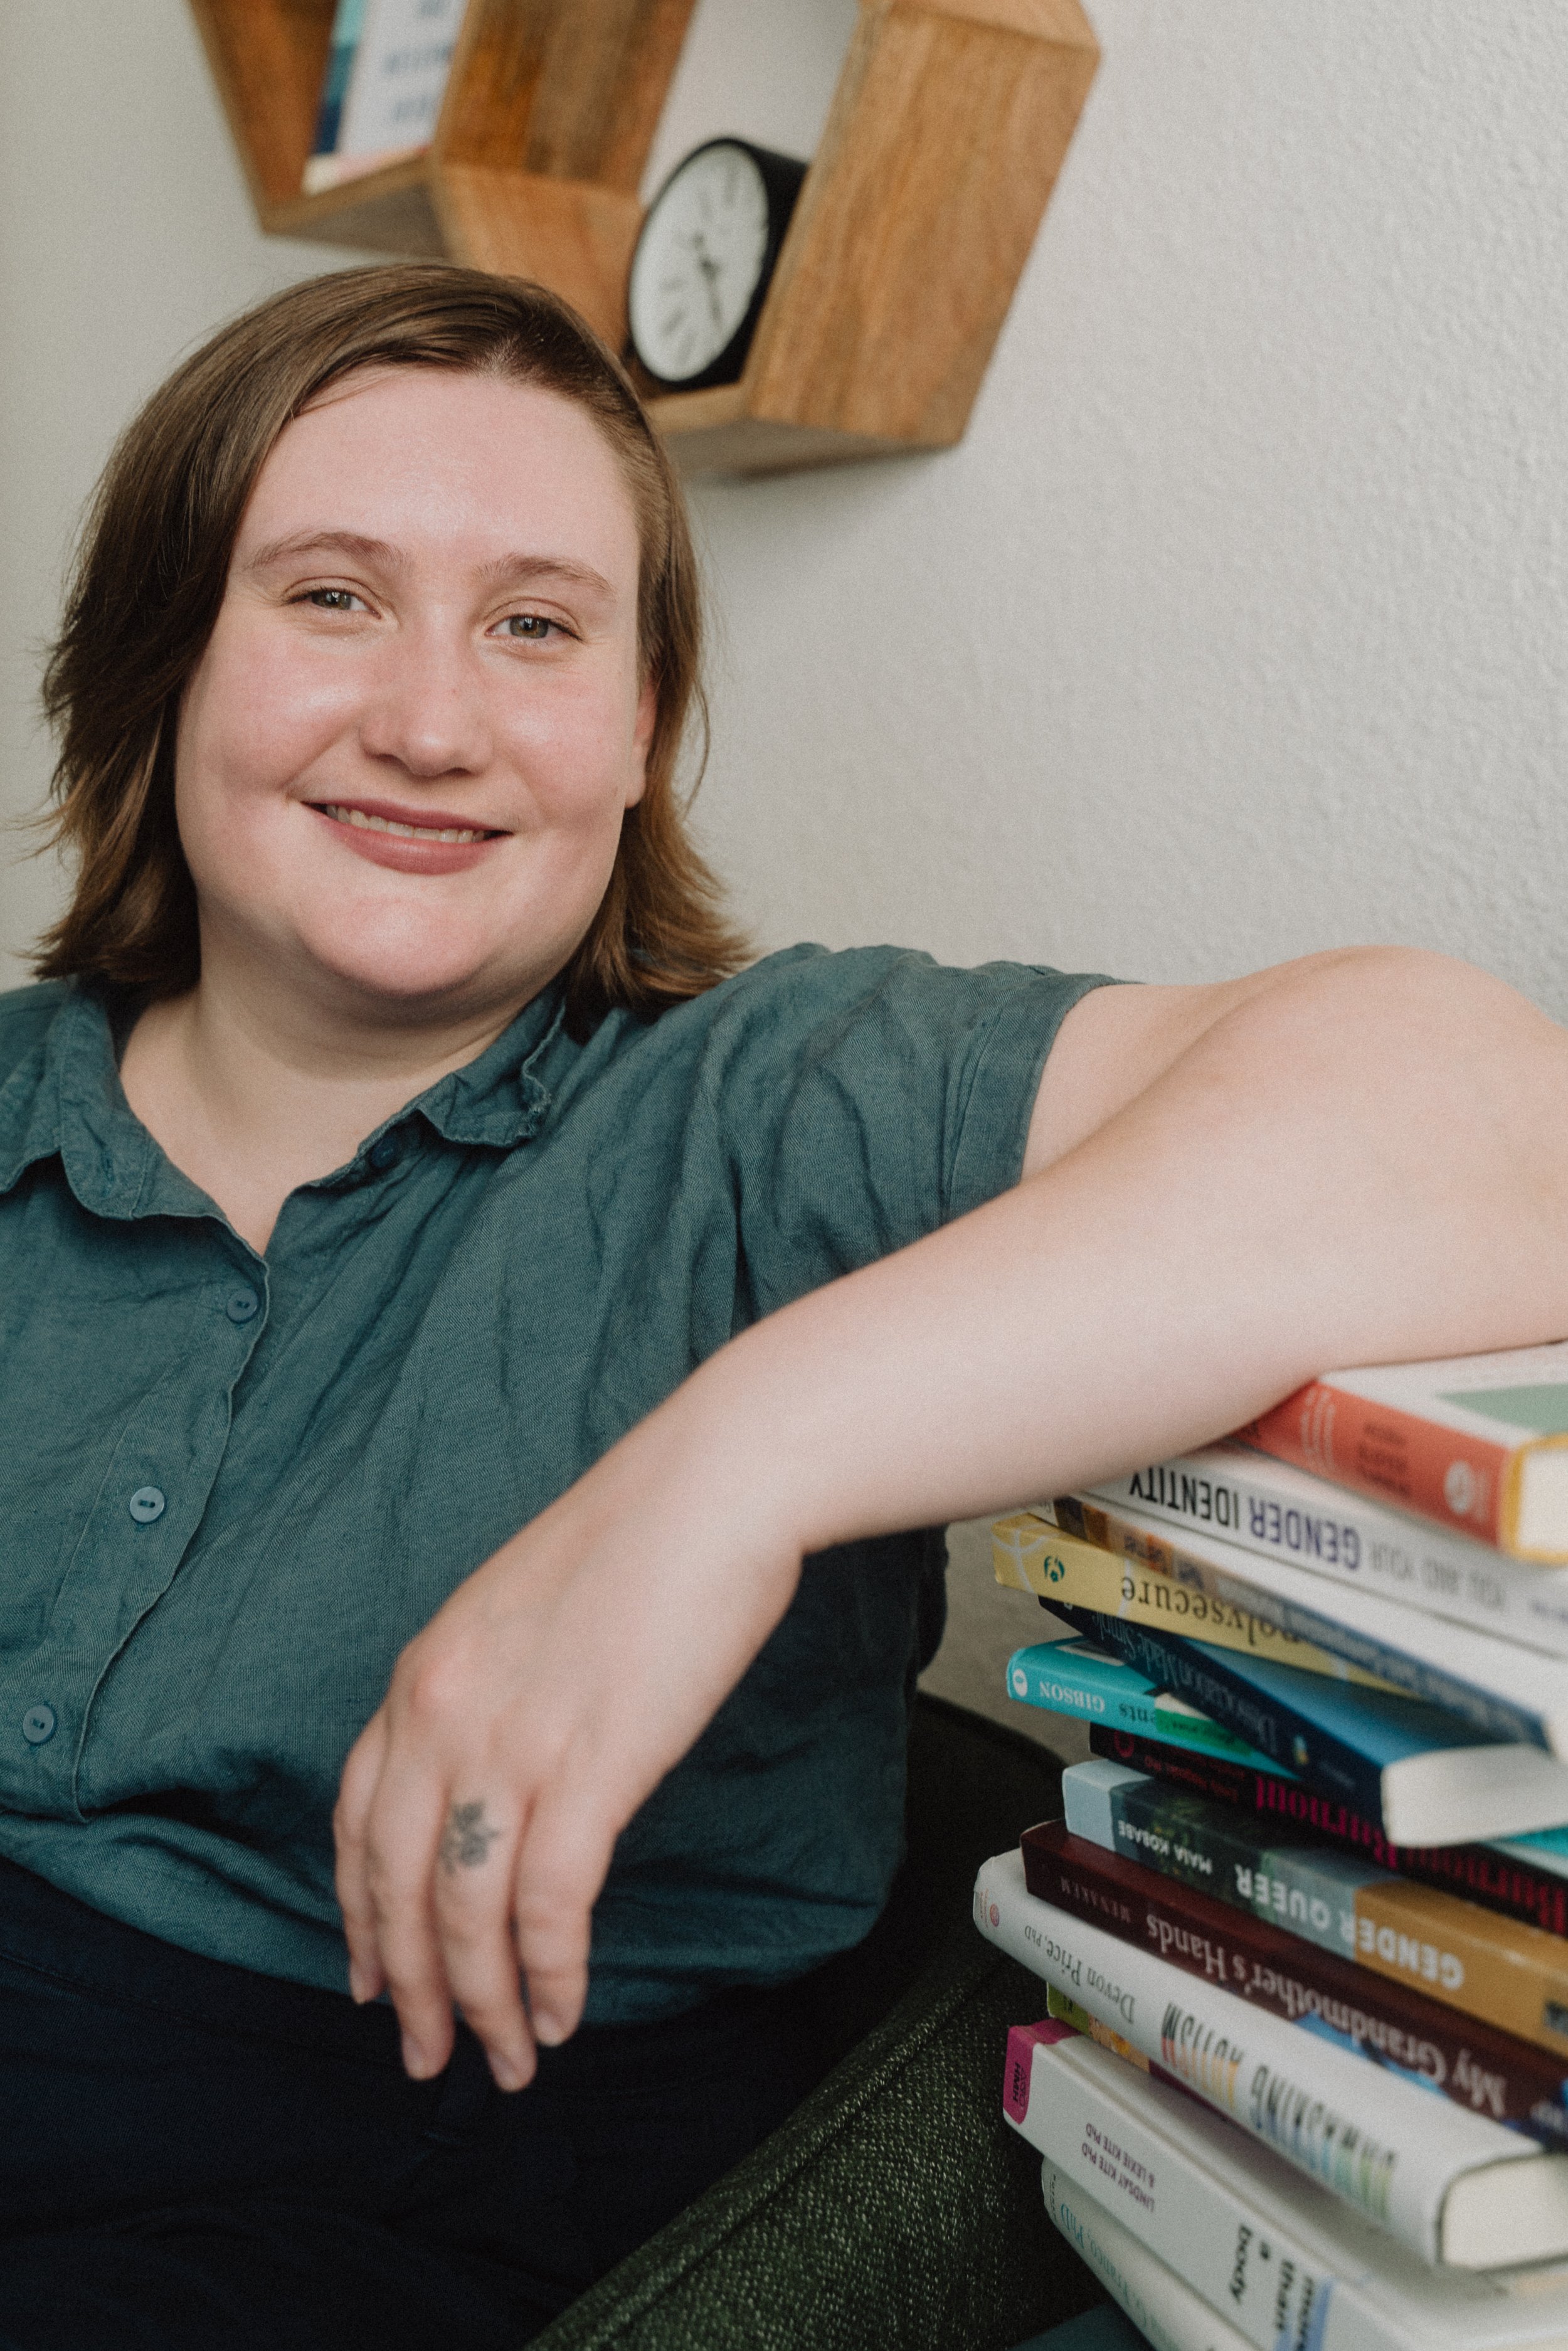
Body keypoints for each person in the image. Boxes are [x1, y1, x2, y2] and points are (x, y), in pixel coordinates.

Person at [1, 260, 1564, 2348]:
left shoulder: (774, 1102)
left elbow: (1490, 1118)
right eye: (331, 596)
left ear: (637, 729)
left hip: (356, 2226)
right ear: (161, 658)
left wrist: (725, 1469)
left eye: (538, 624)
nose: (434, 719)